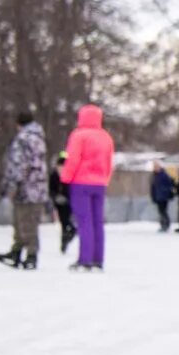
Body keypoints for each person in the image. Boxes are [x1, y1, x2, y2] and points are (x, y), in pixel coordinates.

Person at [59, 105, 114, 272]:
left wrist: (65, 179)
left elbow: (73, 160)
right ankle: (98, 258)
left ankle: (85, 259)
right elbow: (109, 162)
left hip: (80, 182)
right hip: (99, 184)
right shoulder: (106, 137)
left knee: (84, 221)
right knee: (97, 222)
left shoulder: (78, 136)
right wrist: (105, 179)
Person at [0, 111, 48, 270]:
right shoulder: (39, 138)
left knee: (23, 221)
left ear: (18, 124)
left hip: (26, 187)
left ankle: (28, 255)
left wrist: (10, 185)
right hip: (39, 187)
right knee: (29, 221)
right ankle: (18, 251)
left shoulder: (22, 139)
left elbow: (18, 165)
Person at [49, 151, 75, 253]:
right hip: (61, 202)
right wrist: (56, 196)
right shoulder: (55, 175)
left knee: (65, 221)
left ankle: (68, 236)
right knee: (64, 222)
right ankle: (65, 240)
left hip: (67, 201)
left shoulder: (68, 174)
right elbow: (52, 189)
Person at [150, 162, 175, 232]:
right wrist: (154, 196)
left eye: (156, 167)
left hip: (164, 197)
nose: (155, 169)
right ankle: (163, 224)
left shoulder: (164, 175)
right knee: (161, 212)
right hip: (158, 196)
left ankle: (166, 225)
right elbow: (153, 188)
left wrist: (166, 192)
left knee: (163, 211)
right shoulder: (155, 176)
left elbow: (169, 185)